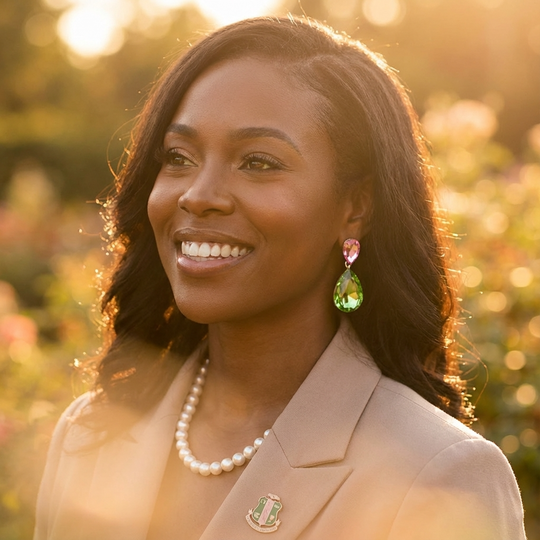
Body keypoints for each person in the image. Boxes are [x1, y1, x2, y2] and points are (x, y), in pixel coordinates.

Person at [34, 16, 526, 540]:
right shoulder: (90, 435)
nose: (198, 195)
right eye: (179, 157)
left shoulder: (437, 473)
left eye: (259, 163)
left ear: (355, 207)